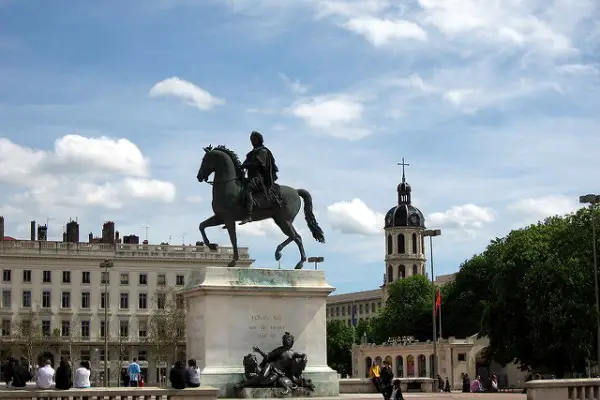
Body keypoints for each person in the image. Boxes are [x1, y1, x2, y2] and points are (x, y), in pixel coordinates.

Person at [239, 131, 281, 225]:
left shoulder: (262, 151)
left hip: (260, 178)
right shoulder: (251, 153)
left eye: (254, 139)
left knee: (248, 191)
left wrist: (247, 165)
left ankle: (249, 215)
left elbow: (259, 163)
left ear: (259, 140)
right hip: (250, 177)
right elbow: (245, 163)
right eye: (251, 139)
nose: (252, 141)